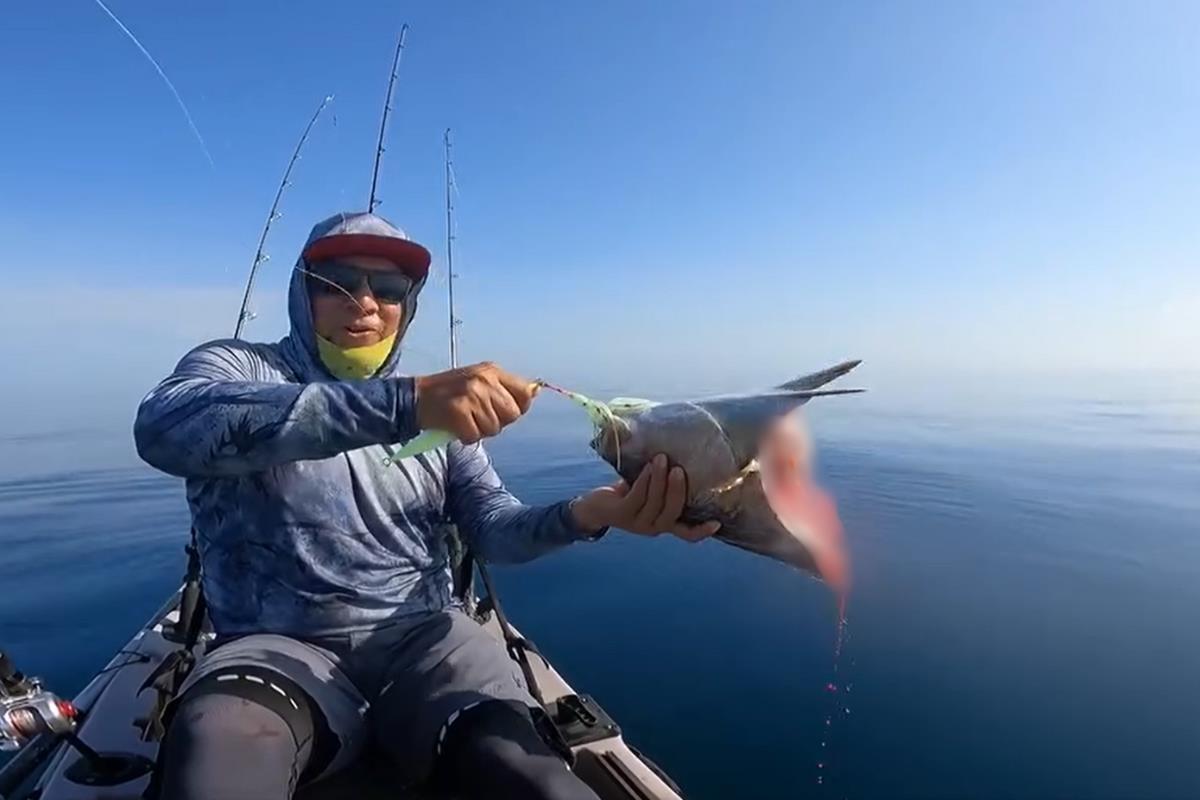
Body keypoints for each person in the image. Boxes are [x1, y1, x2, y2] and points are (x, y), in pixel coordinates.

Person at [134, 211, 719, 800]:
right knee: (218, 754)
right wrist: (407, 404)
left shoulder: (444, 412)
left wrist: (592, 514)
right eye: (337, 281)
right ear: (301, 290)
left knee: (532, 774)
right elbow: (167, 427)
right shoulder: (240, 367)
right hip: (273, 649)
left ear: (406, 306)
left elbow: (493, 529)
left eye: (389, 290)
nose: (365, 302)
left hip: (427, 642)